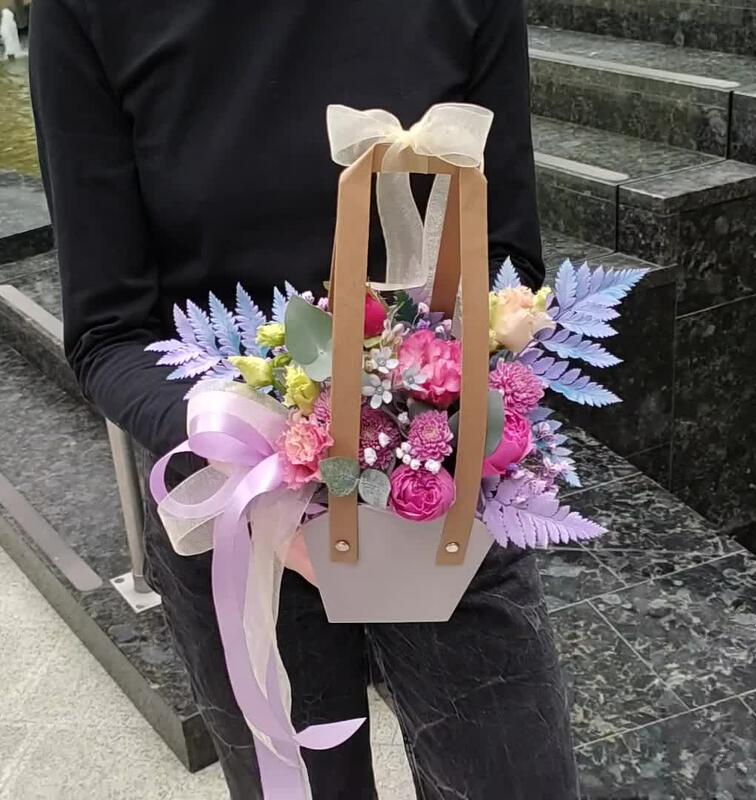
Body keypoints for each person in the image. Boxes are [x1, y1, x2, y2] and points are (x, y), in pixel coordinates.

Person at [29, 1, 578, 797]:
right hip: (237, 499)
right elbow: (109, 331)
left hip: (436, 483)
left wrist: (434, 391)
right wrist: (263, 464)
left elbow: (503, 257)